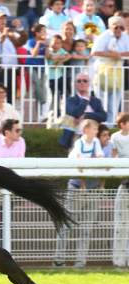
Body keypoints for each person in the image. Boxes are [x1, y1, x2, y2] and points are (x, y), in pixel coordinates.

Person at [54, 119, 104, 268]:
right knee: (67, 224)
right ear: (86, 130)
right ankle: (59, 260)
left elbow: (100, 159)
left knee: (87, 228)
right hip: (76, 189)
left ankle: (80, 262)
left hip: (92, 189)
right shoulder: (78, 144)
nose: (96, 131)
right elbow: (77, 162)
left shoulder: (96, 142)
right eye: (94, 129)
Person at [91, 15, 129, 125]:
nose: (118, 30)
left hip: (117, 73)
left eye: (121, 27)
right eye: (115, 27)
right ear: (110, 26)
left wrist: (119, 55)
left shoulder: (126, 37)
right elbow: (94, 53)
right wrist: (110, 55)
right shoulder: (103, 36)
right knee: (101, 101)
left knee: (114, 103)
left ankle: (110, 125)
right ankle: (100, 125)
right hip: (102, 71)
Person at [58, 73, 107, 149]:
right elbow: (76, 113)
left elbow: (104, 116)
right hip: (76, 135)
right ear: (75, 84)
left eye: (85, 81)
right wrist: (85, 100)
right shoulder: (70, 100)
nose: (82, 83)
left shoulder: (96, 101)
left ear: (89, 84)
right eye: (79, 81)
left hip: (93, 136)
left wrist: (86, 116)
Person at [111, 113, 129, 267]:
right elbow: (113, 156)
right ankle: (119, 260)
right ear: (122, 124)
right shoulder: (115, 137)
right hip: (124, 183)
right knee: (121, 224)